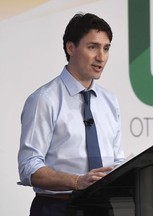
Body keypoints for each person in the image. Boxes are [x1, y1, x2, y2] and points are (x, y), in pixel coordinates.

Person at [17, 12, 125, 216]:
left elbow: (116, 161)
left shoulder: (110, 101)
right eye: (92, 47)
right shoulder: (44, 99)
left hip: (103, 208)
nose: (101, 57)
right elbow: (28, 167)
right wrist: (77, 181)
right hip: (56, 207)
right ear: (71, 47)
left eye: (106, 48)